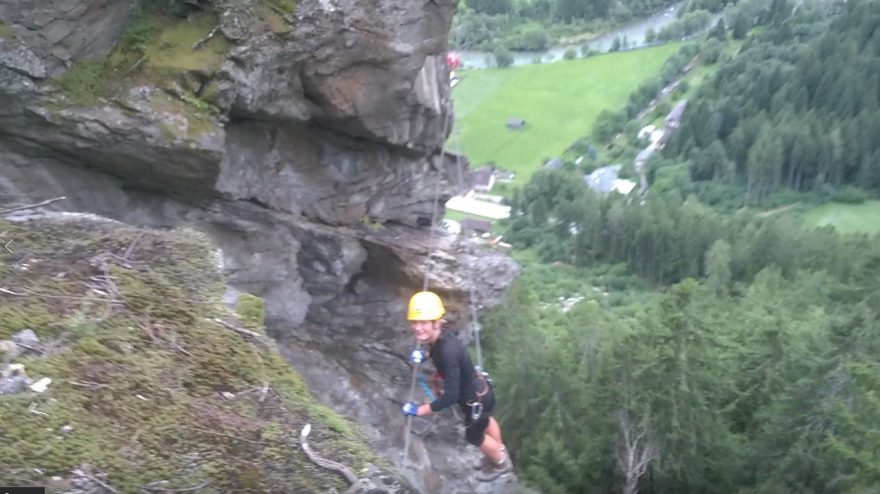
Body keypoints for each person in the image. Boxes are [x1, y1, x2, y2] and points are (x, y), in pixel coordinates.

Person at [400, 290, 513, 482]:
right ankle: (497, 450)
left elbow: (451, 396)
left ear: (436, 322)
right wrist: (425, 356)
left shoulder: (447, 350)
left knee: (474, 436)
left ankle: (500, 462)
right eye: (415, 322)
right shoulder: (442, 338)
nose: (418, 328)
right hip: (481, 394)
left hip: (473, 400)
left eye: (423, 322)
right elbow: (439, 352)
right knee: (486, 420)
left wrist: (419, 410)